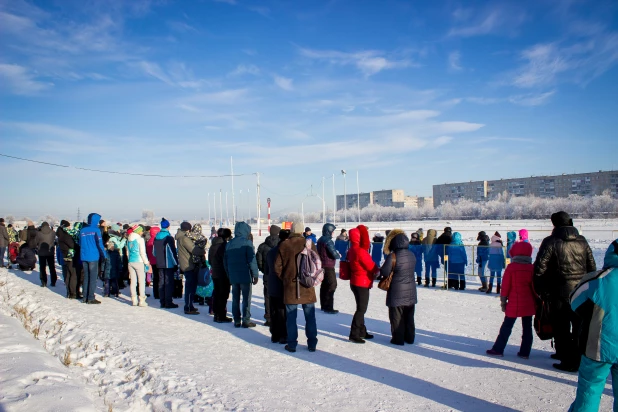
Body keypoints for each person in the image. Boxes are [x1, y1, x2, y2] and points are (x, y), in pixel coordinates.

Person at [534, 211, 596, 372]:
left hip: (558, 292)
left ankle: (567, 359)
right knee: (579, 326)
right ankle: (577, 356)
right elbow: (591, 266)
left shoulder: (550, 241)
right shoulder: (582, 241)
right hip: (581, 291)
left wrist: (541, 290)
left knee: (561, 327)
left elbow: (539, 268)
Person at [568, 239, 618, 412]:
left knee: (589, 392)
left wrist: (595, 313)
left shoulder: (598, 278)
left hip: (598, 345)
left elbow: (574, 302)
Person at [486, 241, 536, 358]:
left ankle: (498, 349)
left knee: (506, 326)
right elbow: (534, 287)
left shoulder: (512, 268)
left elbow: (506, 286)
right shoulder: (531, 268)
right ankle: (525, 352)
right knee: (527, 328)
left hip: (514, 302)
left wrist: (503, 301)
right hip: (528, 303)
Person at [275, 222, 318, 353]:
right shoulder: (309, 244)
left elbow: (277, 267)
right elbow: (317, 263)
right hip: (307, 286)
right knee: (310, 316)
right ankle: (312, 343)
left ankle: (292, 344)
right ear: (301, 231)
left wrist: (286, 279)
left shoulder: (284, 245)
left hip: (290, 287)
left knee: (291, 317)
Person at [379, 230, 417, 346]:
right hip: (411, 291)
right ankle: (410, 337)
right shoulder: (411, 254)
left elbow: (385, 271)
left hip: (396, 291)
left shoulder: (393, 256)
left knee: (396, 316)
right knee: (409, 317)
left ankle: (398, 339)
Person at [224, 222, 259, 328]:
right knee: (246, 298)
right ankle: (246, 320)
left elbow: (225, 262)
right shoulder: (247, 243)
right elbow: (252, 260)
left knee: (235, 298)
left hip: (233, 275)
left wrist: (228, 274)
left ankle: (237, 320)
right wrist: (255, 274)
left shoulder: (229, 244)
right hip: (245, 275)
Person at [347, 225, 378, 344]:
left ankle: (361, 331)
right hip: (362, 282)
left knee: (360, 308)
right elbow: (371, 266)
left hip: (355, 281)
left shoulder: (351, 250)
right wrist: (378, 271)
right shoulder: (360, 251)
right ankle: (354, 333)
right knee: (361, 309)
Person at [266, 229, 290, 343]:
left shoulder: (271, 251)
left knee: (274, 310)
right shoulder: (286, 252)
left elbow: (266, 269)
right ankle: (283, 335)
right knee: (282, 311)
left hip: (271, 284)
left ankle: (274, 335)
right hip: (282, 285)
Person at [79, 213, 107, 304]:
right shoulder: (96, 230)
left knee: (86, 277)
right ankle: (91, 297)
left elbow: (80, 242)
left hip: (84, 255)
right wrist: (104, 255)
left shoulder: (82, 230)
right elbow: (99, 244)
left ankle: (85, 297)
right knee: (93, 278)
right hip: (93, 256)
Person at [257, 225, 281, 326]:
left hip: (268, 275)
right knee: (280, 296)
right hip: (280, 275)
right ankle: (279, 317)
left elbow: (259, 261)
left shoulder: (262, 246)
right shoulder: (282, 244)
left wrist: (264, 270)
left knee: (267, 296)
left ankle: (269, 317)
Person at [153, 218, 179, 309]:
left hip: (159, 263)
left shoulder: (156, 237)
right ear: (168, 226)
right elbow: (172, 252)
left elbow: (154, 252)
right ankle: (168, 302)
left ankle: (162, 301)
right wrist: (176, 264)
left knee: (161, 282)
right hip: (168, 264)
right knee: (168, 282)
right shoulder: (168, 238)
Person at [176, 222, 201, 315]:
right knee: (190, 287)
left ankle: (189, 305)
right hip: (188, 264)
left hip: (185, 263)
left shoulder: (180, 237)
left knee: (190, 286)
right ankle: (188, 307)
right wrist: (201, 250)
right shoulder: (184, 238)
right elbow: (194, 249)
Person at [317, 223, 341, 314]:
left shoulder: (320, 239)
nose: (333, 233)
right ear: (329, 231)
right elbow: (334, 254)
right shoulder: (328, 241)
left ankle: (323, 305)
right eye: (333, 231)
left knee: (324, 285)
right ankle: (328, 307)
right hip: (328, 266)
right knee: (332, 285)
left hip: (322, 265)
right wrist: (338, 255)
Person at [209, 228, 232, 323]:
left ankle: (216, 314)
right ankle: (221, 315)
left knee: (217, 293)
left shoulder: (213, 245)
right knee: (223, 295)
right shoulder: (225, 246)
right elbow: (227, 261)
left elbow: (210, 260)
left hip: (214, 272)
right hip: (223, 274)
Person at [127, 225, 151, 307]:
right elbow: (142, 253)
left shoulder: (129, 239)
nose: (142, 232)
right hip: (139, 261)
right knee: (141, 282)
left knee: (133, 282)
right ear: (138, 231)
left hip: (130, 262)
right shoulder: (139, 240)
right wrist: (146, 262)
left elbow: (128, 253)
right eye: (141, 231)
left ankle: (134, 299)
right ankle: (142, 300)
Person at [186, 223, 208, 310]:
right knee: (200, 281)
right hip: (199, 261)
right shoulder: (202, 238)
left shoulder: (187, 236)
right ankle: (200, 297)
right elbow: (202, 250)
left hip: (189, 261)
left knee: (191, 282)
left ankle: (193, 298)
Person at [57, 220, 78, 298]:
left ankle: (69, 291)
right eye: (68, 226)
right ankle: (72, 292)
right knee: (72, 274)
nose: (70, 228)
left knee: (68, 274)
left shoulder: (61, 235)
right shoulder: (65, 236)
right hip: (69, 255)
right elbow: (72, 245)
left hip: (65, 256)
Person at [36, 222, 57, 287]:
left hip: (41, 252)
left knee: (42, 267)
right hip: (50, 251)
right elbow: (54, 240)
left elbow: (36, 241)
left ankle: (43, 282)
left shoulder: (38, 233)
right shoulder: (53, 232)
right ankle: (53, 281)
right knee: (52, 267)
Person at [146, 226, 161, 299]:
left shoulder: (149, 241)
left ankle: (156, 293)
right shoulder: (155, 241)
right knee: (158, 278)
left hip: (152, 261)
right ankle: (158, 293)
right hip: (157, 261)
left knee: (155, 278)